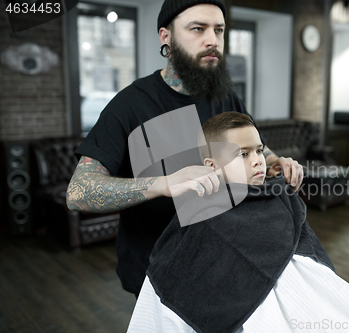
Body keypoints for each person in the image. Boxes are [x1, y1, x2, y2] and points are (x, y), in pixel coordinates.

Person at [66, 0, 303, 298]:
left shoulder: (226, 98)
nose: (212, 40)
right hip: (158, 269)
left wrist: (273, 162)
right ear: (166, 36)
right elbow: (79, 192)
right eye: (197, 29)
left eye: (219, 30)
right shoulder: (128, 107)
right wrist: (162, 184)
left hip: (222, 259)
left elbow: (257, 150)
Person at [127, 112, 349, 333]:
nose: (257, 161)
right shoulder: (203, 215)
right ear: (211, 167)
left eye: (259, 150)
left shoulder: (280, 195)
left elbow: (309, 257)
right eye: (242, 154)